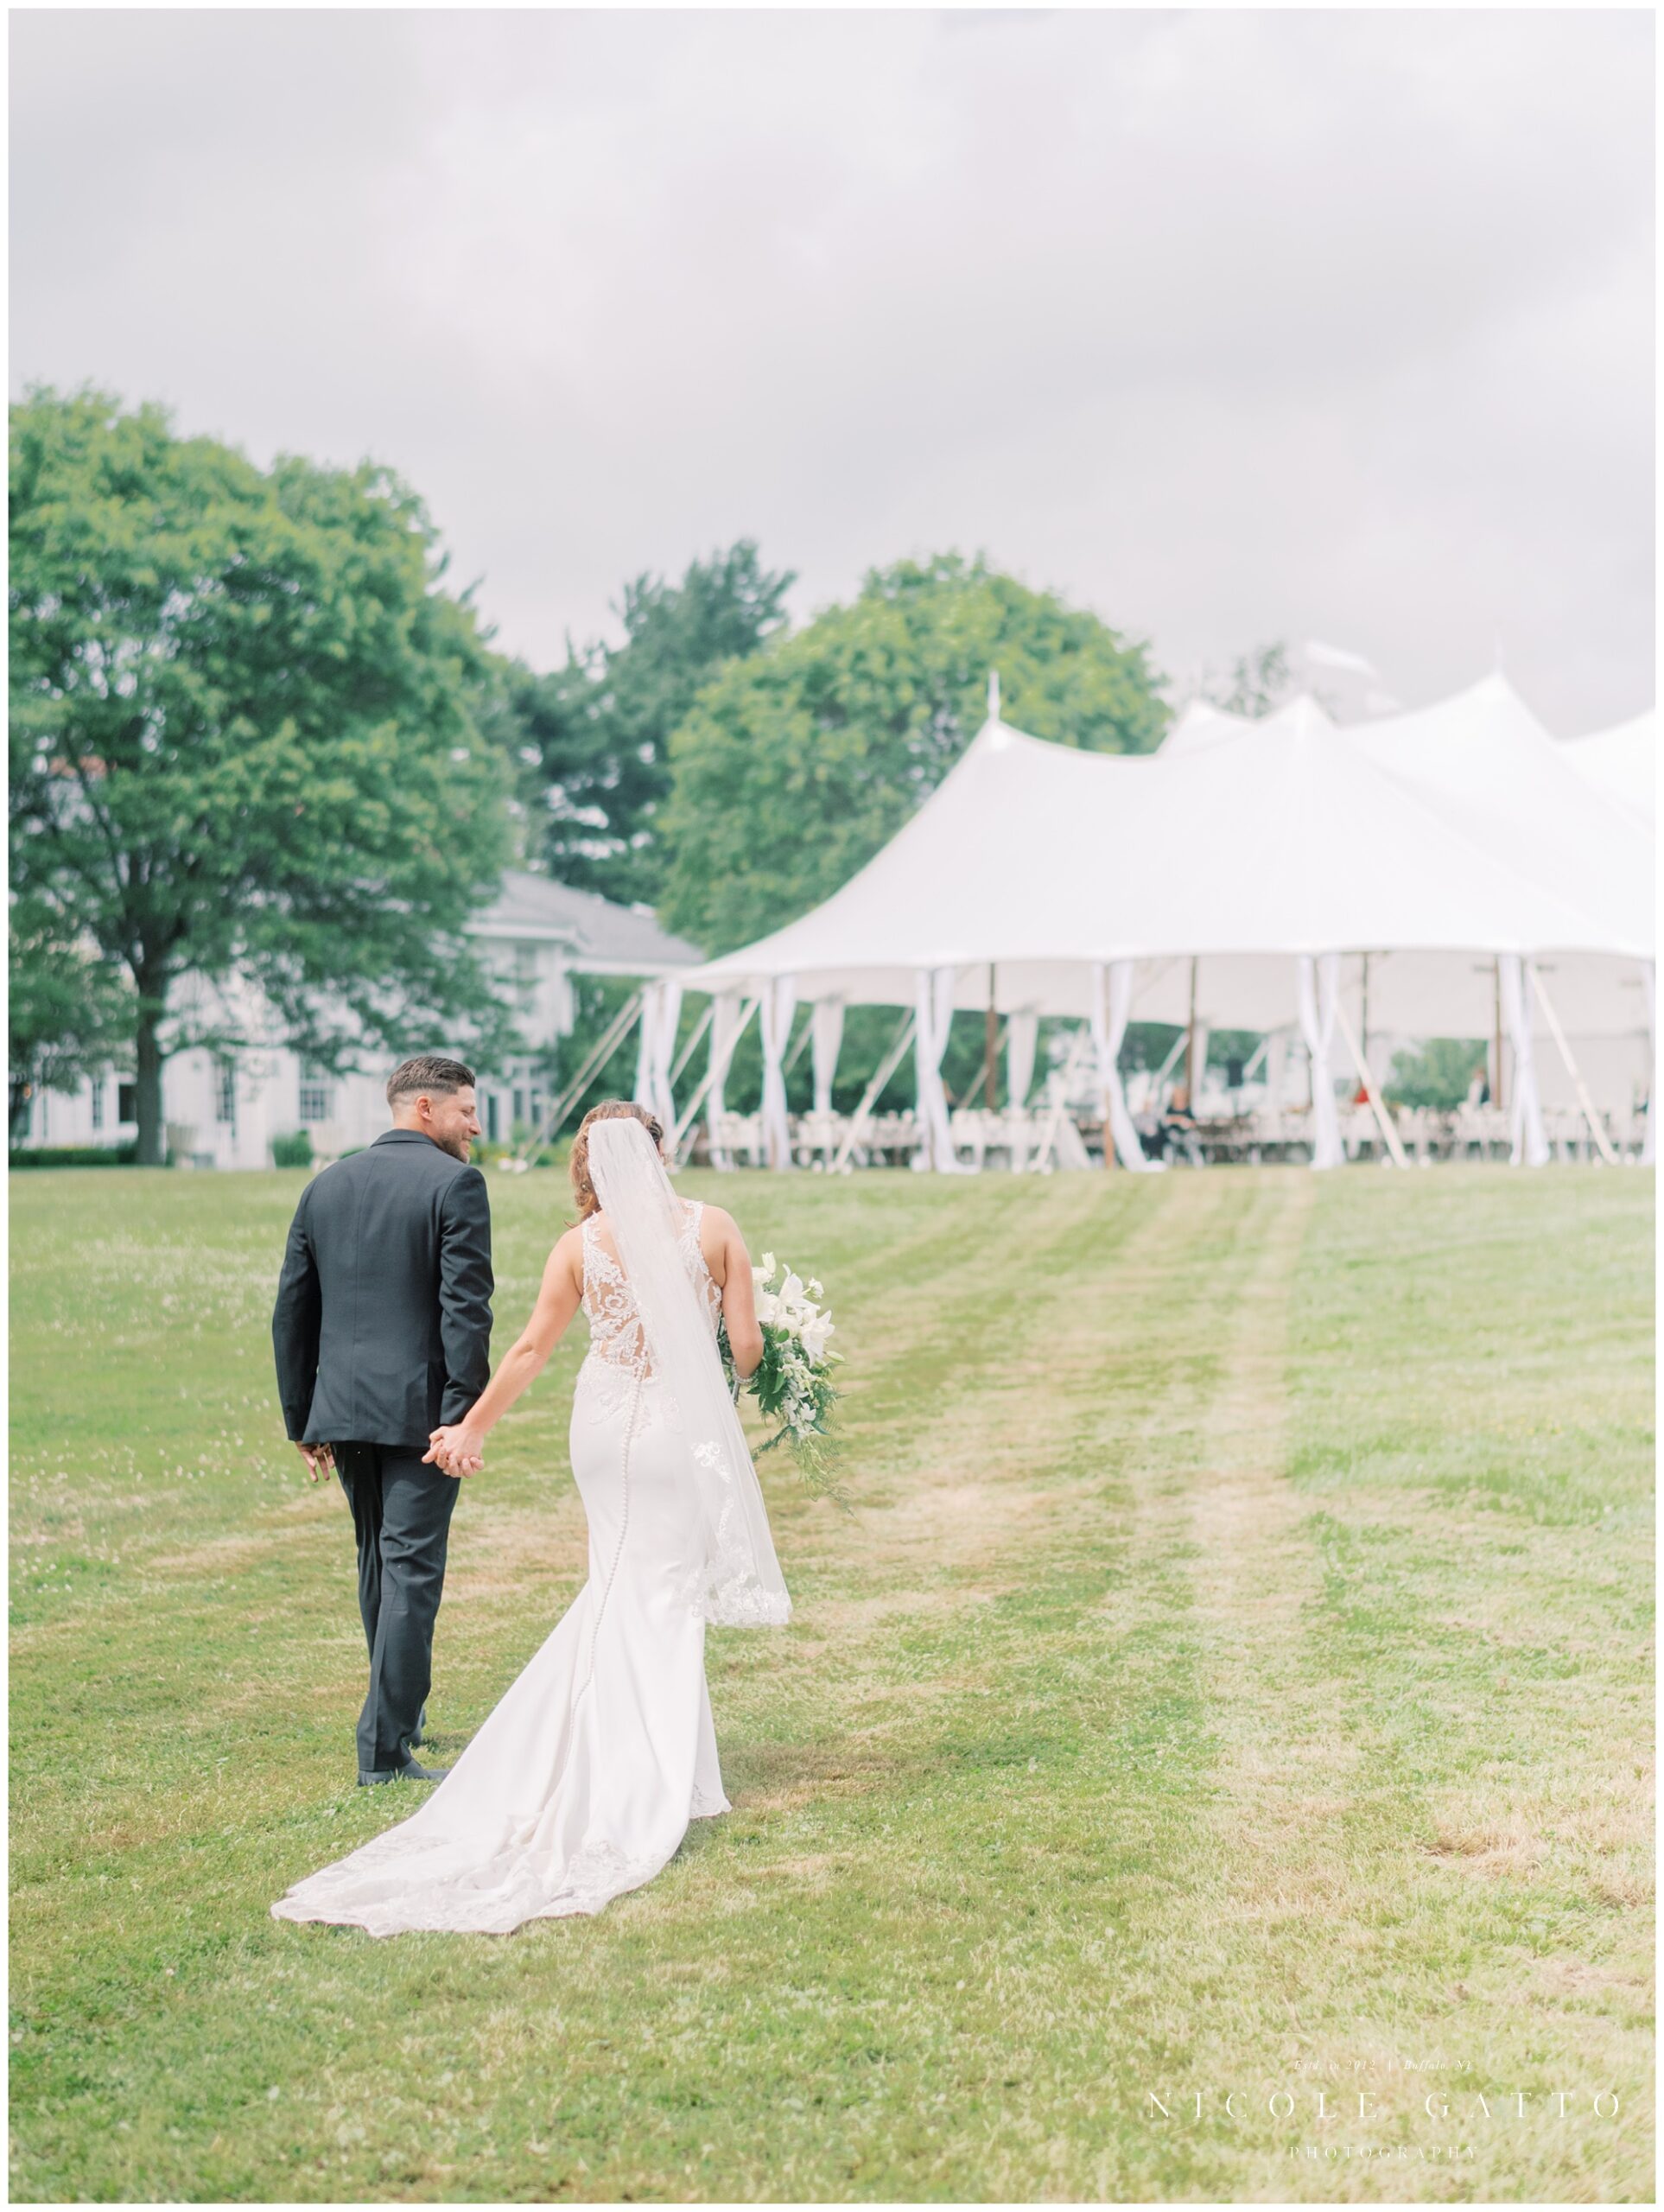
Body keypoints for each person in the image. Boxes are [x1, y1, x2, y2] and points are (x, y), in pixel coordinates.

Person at [270, 1101, 791, 1937]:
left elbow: (527, 1351)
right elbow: (749, 1345)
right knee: (663, 1588)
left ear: (586, 1163)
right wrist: (732, 1353)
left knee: (623, 1581)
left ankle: (665, 1766)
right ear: (658, 1154)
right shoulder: (716, 1226)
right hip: (679, 1427)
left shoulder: (578, 1247)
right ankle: (653, 1774)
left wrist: (474, 1424)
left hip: (603, 1423)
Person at [271, 1054, 492, 1788]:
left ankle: (399, 1711)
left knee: (380, 1564)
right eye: (466, 1109)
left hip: (343, 1410)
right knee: (410, 1573)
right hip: (423, 1416)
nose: (475, 1124)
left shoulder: (325, 1185)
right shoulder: (457, 1184)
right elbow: (467, 1313)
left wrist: (303, 1418)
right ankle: (384, 1749)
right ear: (424, 1109)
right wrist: (465, 1417)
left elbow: (292, 1310)